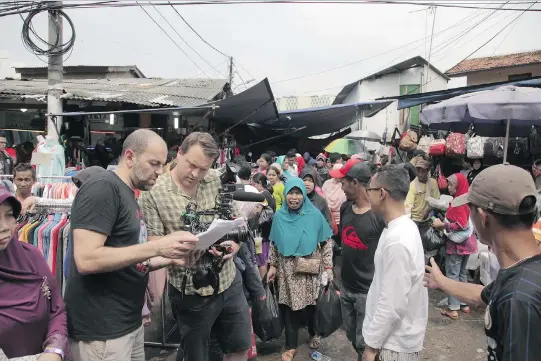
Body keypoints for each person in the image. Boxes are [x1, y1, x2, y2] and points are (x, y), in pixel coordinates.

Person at [65, 129, 199, 361]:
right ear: (129, 157)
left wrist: (172, 257)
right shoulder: (103, 188)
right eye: (154, 163)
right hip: (103, 332)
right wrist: (157, 246)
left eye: (163, 164)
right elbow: (86, 259)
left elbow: (128, 257)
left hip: (128, 324)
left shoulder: (128, 194)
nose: (160, 171)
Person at [140, 132, 251, 361]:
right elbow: (154, 244)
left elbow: (237, 219)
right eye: (192, 165)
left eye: (203, 169)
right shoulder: (153, 192)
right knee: (197, 355)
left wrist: (234, 246)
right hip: (190, 290)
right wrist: (179, 250)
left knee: (239, 347)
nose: (196, 174)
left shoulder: (215, 179)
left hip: (229, 280)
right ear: (179, 153)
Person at [425, 164, 541, 361]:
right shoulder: (524, 270)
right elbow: (484, 294)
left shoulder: (519, 299)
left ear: (483, 217)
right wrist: (441, 281)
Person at [363, 165, 428, 361]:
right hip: (393, 338)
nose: (368, 195)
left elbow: (392, 304)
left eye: (370, 191)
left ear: (382, 193)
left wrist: (371, 347)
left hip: (393, 344)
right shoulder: (400, 227)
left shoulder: (397, 239)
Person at [267, 178, 333, 361]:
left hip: (309, 268)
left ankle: (313, 333)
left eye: (298, 193)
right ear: (285, 194)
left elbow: (326, 242)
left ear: (304, 195)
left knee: (311, 306)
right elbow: (274, 244)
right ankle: (290, 345)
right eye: (291, 193)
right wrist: (272, 265)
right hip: (287, 271)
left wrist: (328, 267)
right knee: (289, 307)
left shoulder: (314, 215)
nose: (294, 197)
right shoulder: (279, 216)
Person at [0, 187, 69, 360]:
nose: (3, 227)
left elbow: (57, 310)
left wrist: (55, 349)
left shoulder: (31, 256)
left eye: (9, 215)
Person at [328, 160, 386, 361]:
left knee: (366, 342)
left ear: (355, 183)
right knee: (352, 335)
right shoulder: (345, 208)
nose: (341, 188)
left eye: (343, 183)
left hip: (367, 291)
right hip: (346, 285)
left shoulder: (378, 215)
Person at [431, 173, 478, 320]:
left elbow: (461, 225)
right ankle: (464, 303)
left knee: (452, 275)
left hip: (457, 246)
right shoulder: (467, 199)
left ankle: (453, 308)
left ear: (458, 186)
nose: (449, 187)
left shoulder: (459, 202)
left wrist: (442, 225)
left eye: (451, 185)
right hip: (468, 245)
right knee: (462, 274)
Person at [405, 158, 440, 223]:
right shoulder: (412, 185)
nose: (420, 174)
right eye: (418, 171)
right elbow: (408, 205)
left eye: (423, 171)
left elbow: (436, 200)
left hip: (428, 216)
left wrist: (428, 211)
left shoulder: (433, 183)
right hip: (414, 218)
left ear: (428, 171)